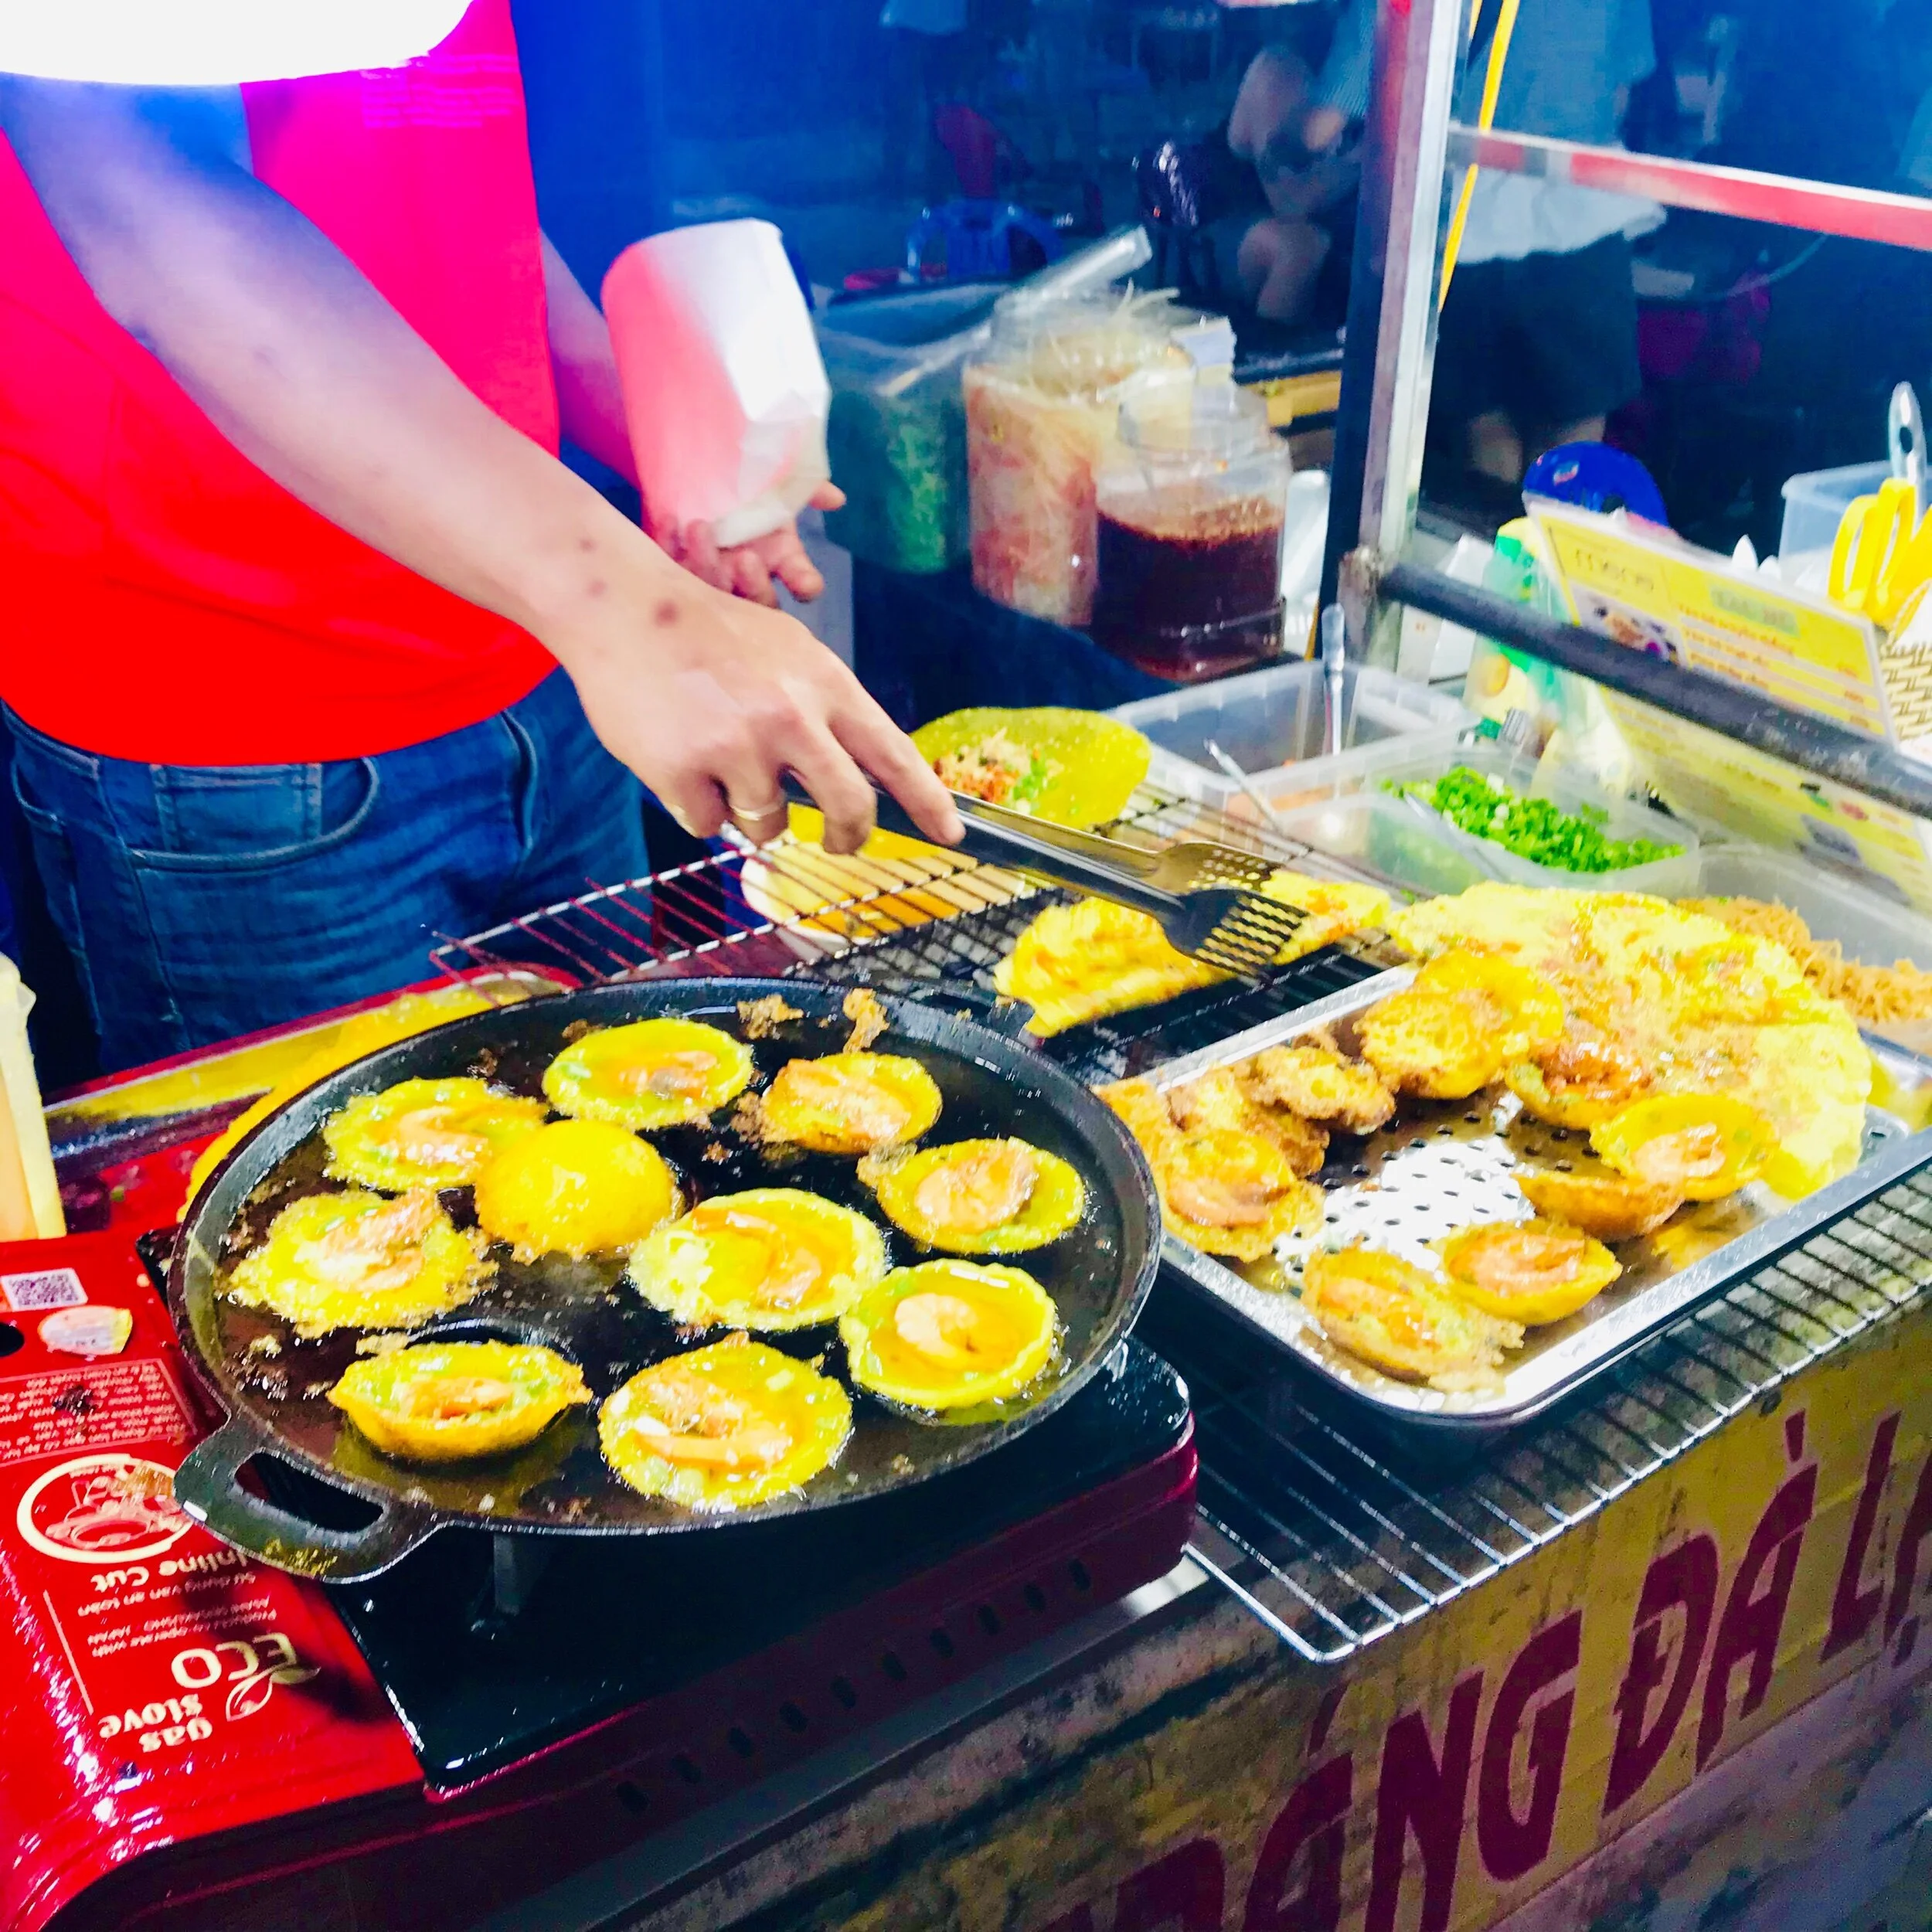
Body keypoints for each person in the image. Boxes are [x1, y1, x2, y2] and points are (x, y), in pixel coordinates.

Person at [0, 0, 961, 1074]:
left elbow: (450, 207)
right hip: (245, 739)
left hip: (542, 664)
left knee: (604, 1142)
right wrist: (633, 611)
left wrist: (652, 445)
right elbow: (145, 213)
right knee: (344, 1218)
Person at [1319, 0, 1662, 486]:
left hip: (1462, 221)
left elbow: (1328, 121)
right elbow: (1620, 92)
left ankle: (1482, 554)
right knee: (1573, 436)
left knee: (1483, 435)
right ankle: (1546, 552)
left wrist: (1278, 152)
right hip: (1579, 215)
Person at [1210, 42, 1362, 328]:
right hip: (1239, 215)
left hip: (1336, 218)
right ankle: (1273, 360)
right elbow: (1291, 203)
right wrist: (1371, 160)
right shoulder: (1279, 73)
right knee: (1301, 248)